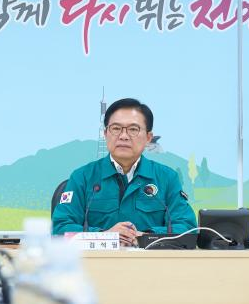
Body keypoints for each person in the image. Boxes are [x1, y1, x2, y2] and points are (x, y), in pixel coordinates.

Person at [52, 98, 197, 245]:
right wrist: (105, 236)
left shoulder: (167, 178)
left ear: (148, 138)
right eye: (116, 128)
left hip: (150, 259)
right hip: (96, 259)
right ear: (105, 133)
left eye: (133, 129)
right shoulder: (82, 177)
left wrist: (145, 237)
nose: (123, 136)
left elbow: (188, 228)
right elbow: (60, 229)